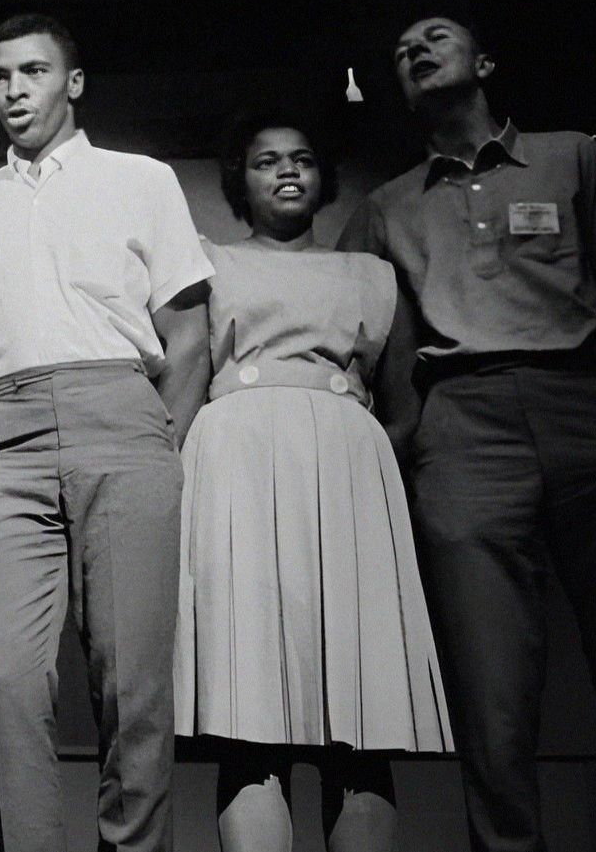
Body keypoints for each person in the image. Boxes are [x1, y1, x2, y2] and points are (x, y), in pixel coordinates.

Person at [339, 14, 596, 851]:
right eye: (401, 50)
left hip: (587, 401)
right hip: (463, 421)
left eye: (436, 36)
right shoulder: (387, 203)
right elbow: (354, 319)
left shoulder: (571, 155)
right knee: (493, 689)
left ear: (485, 61)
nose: (415, 49)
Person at [0, 13, 212, 852]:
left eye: (33, 71)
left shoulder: (140, 178)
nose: (14, 90)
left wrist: (158, 439)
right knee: (5, 676)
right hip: (13, 435)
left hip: (121, 415)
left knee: (132, 685)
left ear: (74, 81)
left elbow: (189, 331)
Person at [174, 113, 451, 852]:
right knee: (248, 717)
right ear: (240, 180)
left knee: (358, 725)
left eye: (301, 158)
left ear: (324, 176)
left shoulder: (370, 274)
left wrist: (363, 468)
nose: (287, 171)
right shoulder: (207, 263)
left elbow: (403, 401)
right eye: (266, 161)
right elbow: (186, 372)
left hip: (345, 474)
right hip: (236, 469)